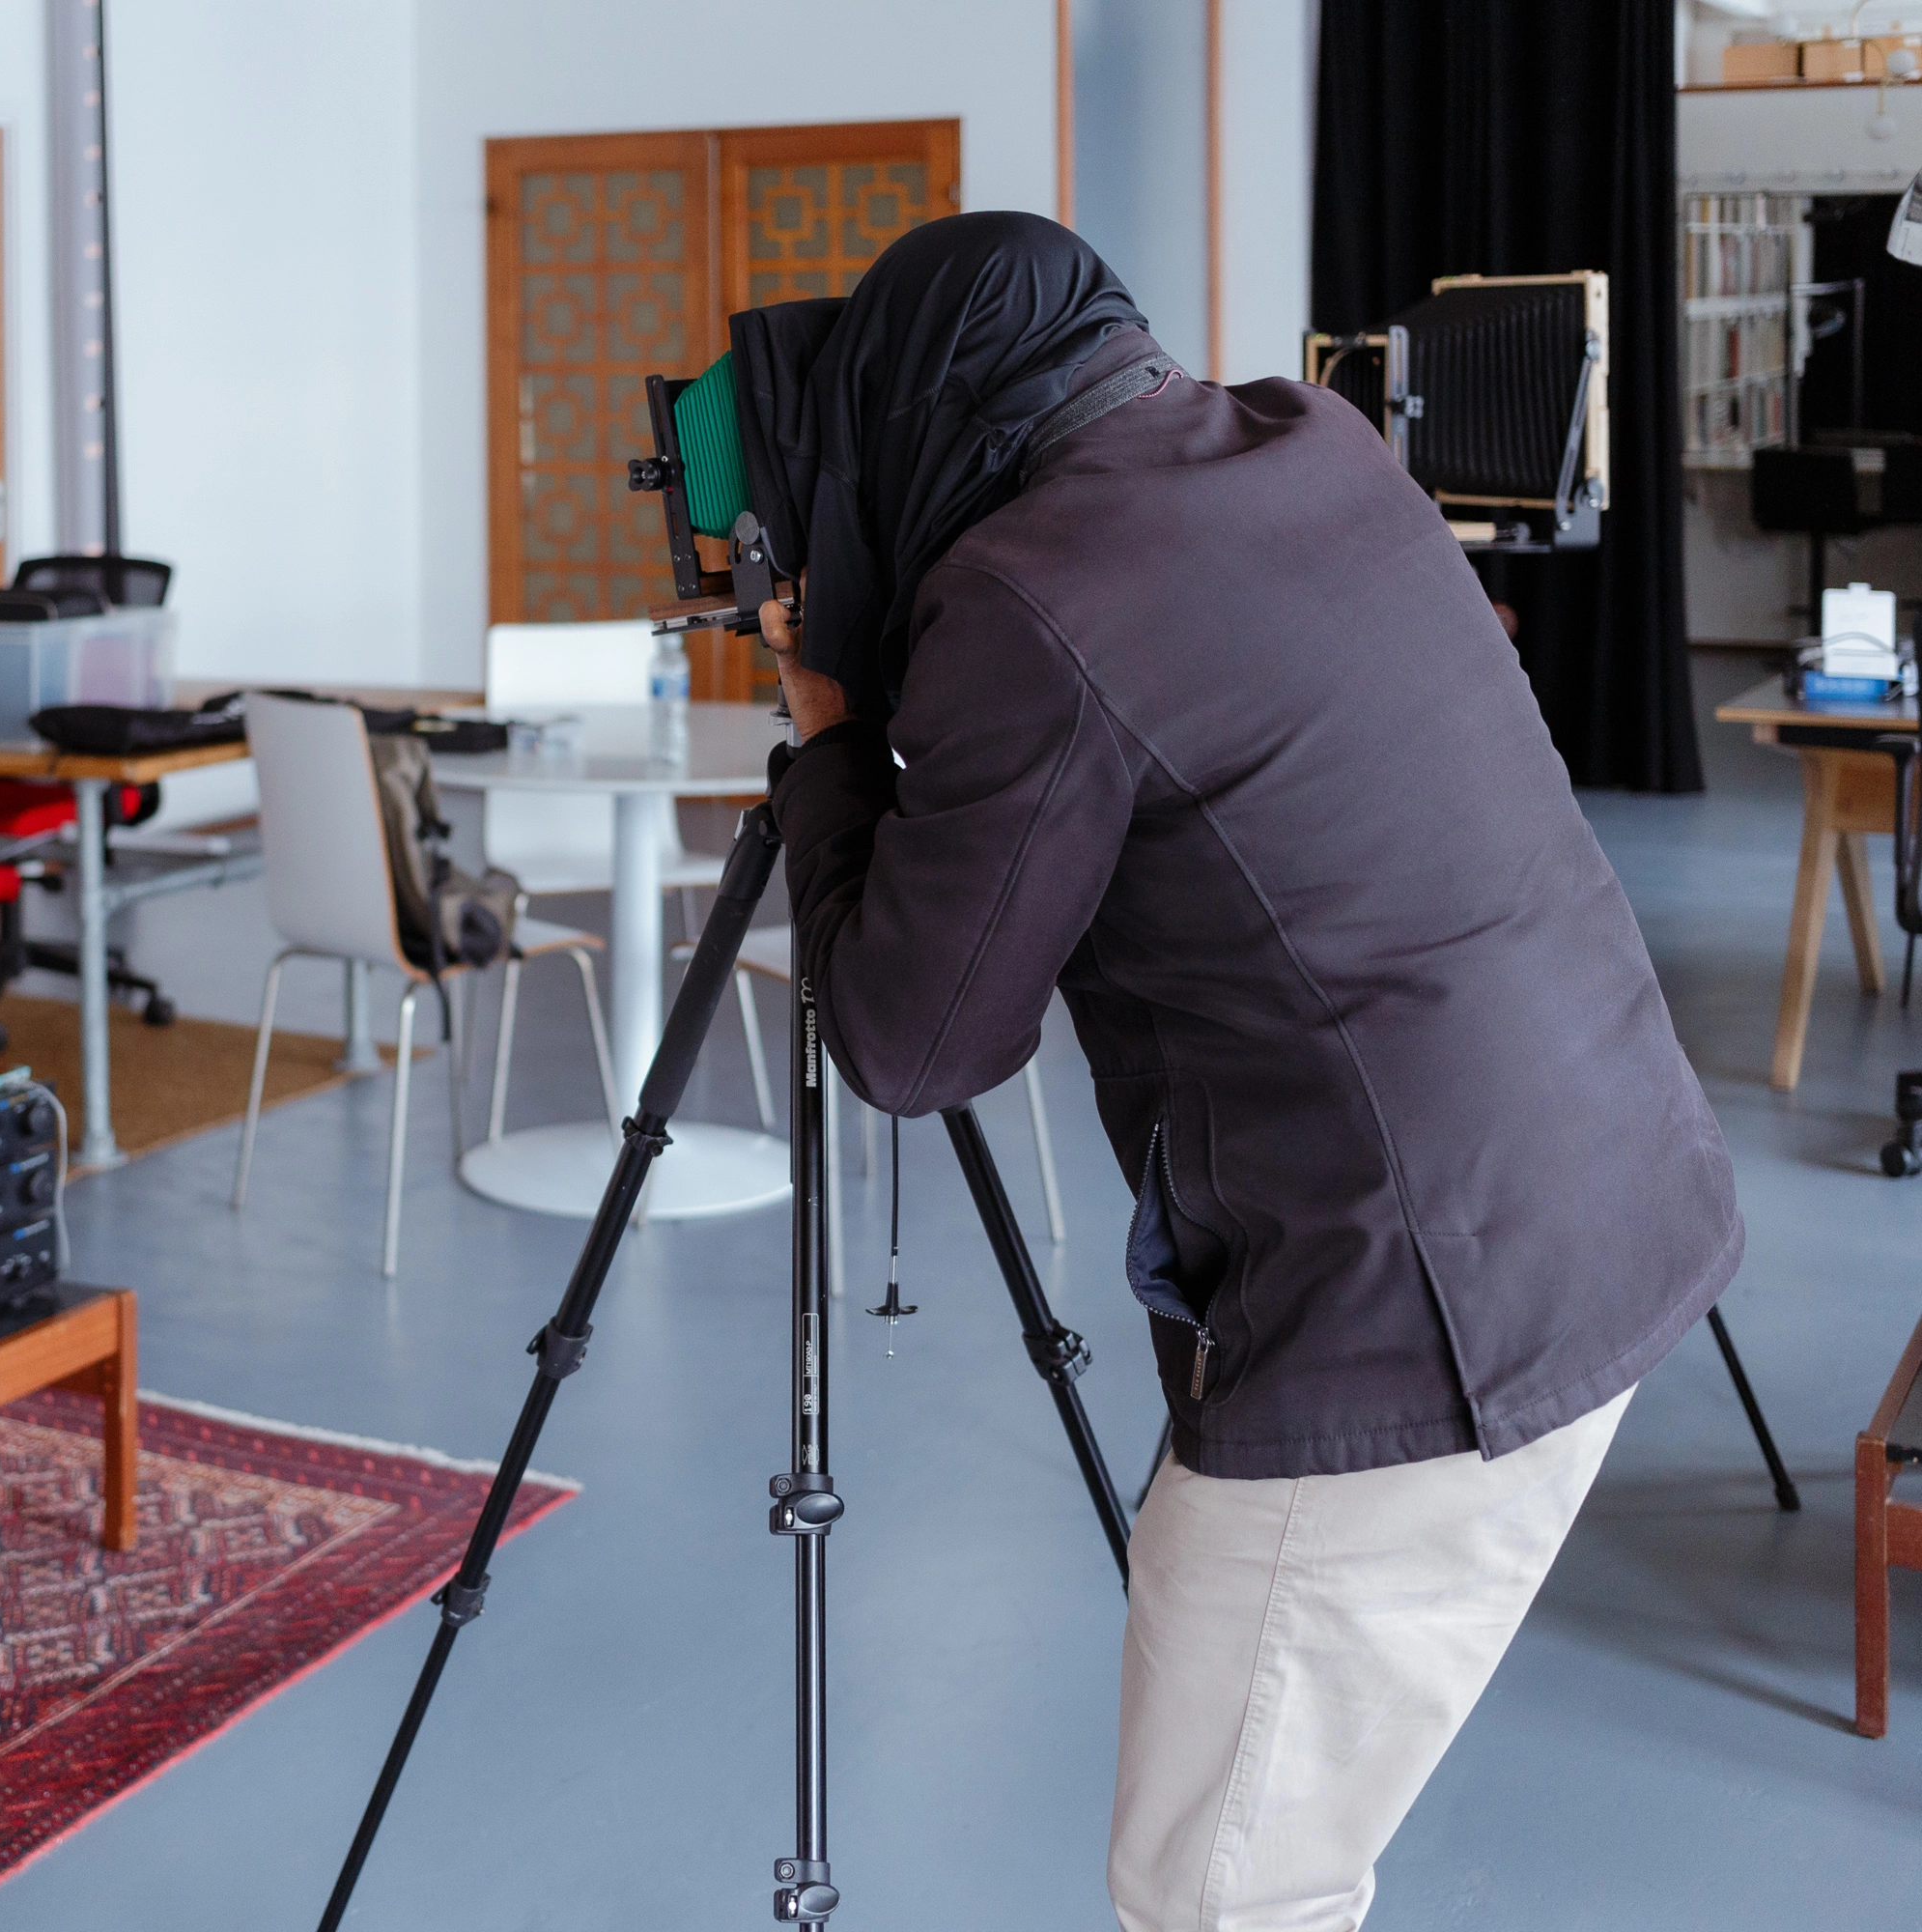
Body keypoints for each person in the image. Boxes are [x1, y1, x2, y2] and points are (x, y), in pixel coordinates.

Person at [738, 213, 1741, 1930]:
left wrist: (833, 738)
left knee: (1225, 1896)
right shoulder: (1315, 442)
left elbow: (915, 1039)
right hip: (1609, 1206)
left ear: (909, 417)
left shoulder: (1031, 594)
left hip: (1409, 1330)